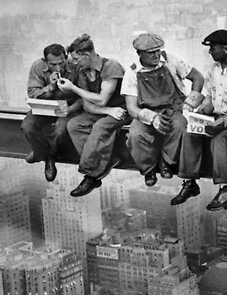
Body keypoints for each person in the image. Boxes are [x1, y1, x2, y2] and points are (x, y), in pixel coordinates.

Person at [171, 29, 227, 210]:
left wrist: (223, 122)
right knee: (190, 132)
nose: (210, 52)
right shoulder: (214, 69)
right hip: (216, 115)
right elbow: (210, 98)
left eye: (213, 48)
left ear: (226, 49)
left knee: (218, 139)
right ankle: (189, 182)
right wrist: (199, 113)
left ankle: (225, 187)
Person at [122, 33, 204, 187]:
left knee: (179, 127)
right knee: (135, 135)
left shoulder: (171, 60)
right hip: (147, 112)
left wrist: (189, 104)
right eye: (151, 52)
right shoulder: (132, 72)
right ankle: (148, 169)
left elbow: (198, 78)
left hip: (173, 109)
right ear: (139, 54)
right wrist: (152, 118)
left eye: (158, 50)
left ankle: (166, 162)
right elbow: (132, 107)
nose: (156, 55)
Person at [57, 34, 128, 197]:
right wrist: (107, 111)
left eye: (76, 59)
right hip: (107, 111)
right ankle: (108, 161)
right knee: (74, 125)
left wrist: (73, 88)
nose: (74, 63)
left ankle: (90, 175)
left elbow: (102, 99)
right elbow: (87, 104)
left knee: (100, 127)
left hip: (122, 110)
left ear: (86, 55)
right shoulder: (83, 71)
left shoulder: (111, 67)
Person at [22, 42, 83, 182]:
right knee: (28, 126)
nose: (58, 67)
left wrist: (70, 109)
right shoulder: (37, 67)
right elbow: (32, 93)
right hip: (44, 107)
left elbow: (83, 96)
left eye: (61, 63)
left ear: (65, 58)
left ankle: (46, 155)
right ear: (45, 61)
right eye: (53, 64)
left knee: (61, 130)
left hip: (67, 108)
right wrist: (50, 88)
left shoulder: (75, 66)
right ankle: (44, 154)